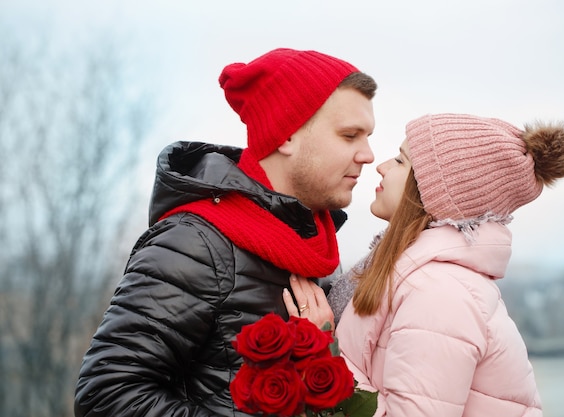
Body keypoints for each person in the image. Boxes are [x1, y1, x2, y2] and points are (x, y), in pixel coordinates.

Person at [74, 48, 377, 417]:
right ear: (286, 136)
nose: (368, 154)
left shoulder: (314, 246)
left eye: (367, 137)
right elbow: (106, 394)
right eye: (350, 136)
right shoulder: (194, 243)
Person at [288, 112, 564, 416]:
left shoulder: (438, 293)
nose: (381, 166)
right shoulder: (410, 273)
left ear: (432, 193)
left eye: (400, 161)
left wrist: (321, 353)